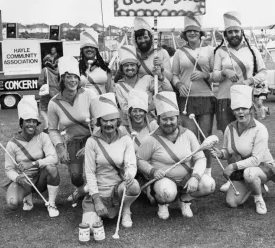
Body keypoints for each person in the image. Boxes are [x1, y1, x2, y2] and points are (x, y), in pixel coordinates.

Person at [137, 91, 215, 219]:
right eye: (164, 119)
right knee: (166, 193)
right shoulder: (150, 139)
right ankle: (162, 203)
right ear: (158, 120)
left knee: (209, 185)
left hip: (187, 177)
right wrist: (152, 171)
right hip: (164, 179)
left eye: (172, 119)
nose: (168, 123)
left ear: (178, 119)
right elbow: (139, 160)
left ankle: (184, 199)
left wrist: (195, 177)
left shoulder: (189, 134)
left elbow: (200, 157)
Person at [213, 11, 267, 191]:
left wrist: (250, 81)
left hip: (245, 98)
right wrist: (224, 73)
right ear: (225, 34)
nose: (234, 34)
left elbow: (263, 73)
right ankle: (233, 177)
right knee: (230, 139)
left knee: (248, 137)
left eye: (237, 31)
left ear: (241, 31)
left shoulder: (252, 50)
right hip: (224, 98)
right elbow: (213, 76)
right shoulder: (220, 52)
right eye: (230, 32)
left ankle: (252, 174)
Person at [211, 85, 275, 215]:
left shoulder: (260, 129)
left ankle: (258, 199)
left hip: (263, 167)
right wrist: (220, 153)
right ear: (233, 111)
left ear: (250, 109)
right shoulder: (229, 128)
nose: (241, 112)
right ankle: (255, 186)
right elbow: (227, 151)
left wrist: (233, 166)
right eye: (237, 109)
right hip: (242, 170)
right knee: (232, 202)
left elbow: (256, 160)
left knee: (250, 174)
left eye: (244, 108)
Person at [82, 93, 140, 231]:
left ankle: (126, 209)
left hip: (117, 188)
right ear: (99, 121)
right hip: (98, 190)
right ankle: (97, 207)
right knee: (90, 228)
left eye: (112, 120)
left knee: (134, 186)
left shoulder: (126, 139)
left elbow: (131, 164)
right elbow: (89, 172)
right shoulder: (91, 141)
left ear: (117, 121)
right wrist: (96, 200)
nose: (108, 124)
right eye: (104, 120)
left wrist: (129, 174)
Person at [48, 56, 96, 205]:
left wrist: (92, 143)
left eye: (75, 77)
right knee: (75, 176)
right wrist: (60, 148)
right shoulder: (53, 103)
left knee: (94, 170)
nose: (73, 80)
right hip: (72, 141)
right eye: (68, 77)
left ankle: (89, 193)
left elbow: (99, 120)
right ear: (62, 79)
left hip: (93, 138)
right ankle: (81, 189)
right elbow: (52, 129)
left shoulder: (89, 94)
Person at [172, 15, 216, 176]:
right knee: (189, 138)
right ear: (185, 33)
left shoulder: (209, 50)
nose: (192, 33)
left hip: (205, 97)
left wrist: (204, 75)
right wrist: (179, 85)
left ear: (200, 32)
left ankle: (208, 172)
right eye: (189, 31)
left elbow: (215, 74)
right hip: (186, 99)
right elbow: (174, 74)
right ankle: (192, 171)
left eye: (195, 31)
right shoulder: (179, 52)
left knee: (206, 137)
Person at [4, 96, 60, 217]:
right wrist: (18, 178)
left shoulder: (43, 137)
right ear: (21, 123)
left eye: (34, 121)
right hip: (24, 180)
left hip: (41, 178)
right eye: (28, 121)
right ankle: (27, 196)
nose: (31, 124)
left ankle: (51, 204)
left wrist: (33, 163)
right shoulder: (12, 144)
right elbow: (9, 169)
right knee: (12, 203)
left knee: (52, 168)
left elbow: (54, 158)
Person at [115, 44, 172, 124]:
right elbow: (124, 108)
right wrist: (148, 108)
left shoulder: (147, 79)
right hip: (130, 124)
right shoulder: (119, 86)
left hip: (150, 121)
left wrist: (160, 76)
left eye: (132, 65)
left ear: (137, 67)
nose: (129, 68)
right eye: (126, 66)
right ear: (122, 68)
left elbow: (168, 90)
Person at [79, 29, 112, 95]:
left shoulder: (104, 67)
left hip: (101, 103)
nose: (89, 49)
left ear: (96, 50)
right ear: (82, 50)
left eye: (92, 47)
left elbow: (109, 90)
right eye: (86, 47)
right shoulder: (76, 67)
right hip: (83, 103)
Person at [38, 60, 59, 133]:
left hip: (47, 93)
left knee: (42, 109)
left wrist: (41, 86)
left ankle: (47, 125)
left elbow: (40, 82)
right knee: (55, 109)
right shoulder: (58, 70)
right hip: (56, 92)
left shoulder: (45, 70)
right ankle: (56, 126)